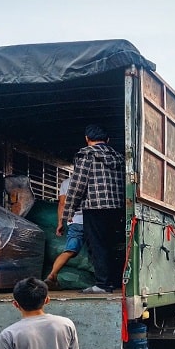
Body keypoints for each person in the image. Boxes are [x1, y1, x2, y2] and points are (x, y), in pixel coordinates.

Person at [63, 124, 125, 294]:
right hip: (117, 208)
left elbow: (77, 186)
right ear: (108, 140)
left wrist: (68, 212)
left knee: (97, 245)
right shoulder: (119, 158)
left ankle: (102, 285)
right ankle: (111, 282)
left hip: (95, 207)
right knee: (110, 245)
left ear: (86, 139)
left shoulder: (86, 155)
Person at [44, 177, 84, 290]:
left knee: (70, 250)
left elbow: (62, 204)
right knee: (98, 250)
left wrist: (60, 223)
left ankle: (52, 274)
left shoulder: (66, 183)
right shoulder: (91, 179)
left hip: (74, 221)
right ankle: (102, 283)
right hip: (91, 220)